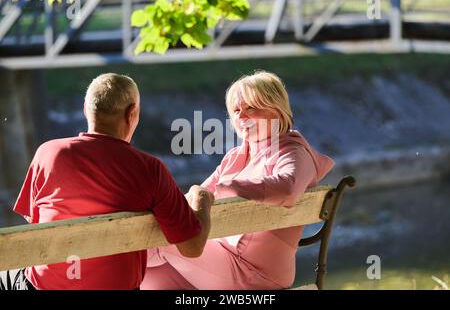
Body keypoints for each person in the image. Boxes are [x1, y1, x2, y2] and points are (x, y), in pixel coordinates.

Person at [0, 73, 214, 290]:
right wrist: (202, 197)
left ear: (85, 109)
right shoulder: (149, 169)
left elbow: (36, 221)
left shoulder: (48, 153)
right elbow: (192, 247)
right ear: (132, 113)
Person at [140, 70, 335, 290]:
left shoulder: (292, 152)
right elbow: (196, 196)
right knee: (149, 275)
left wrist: (229, 188)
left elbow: (288, 189)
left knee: (152, 243)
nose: (242, 118)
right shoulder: (236, 156)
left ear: (278, 111)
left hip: (255, 274)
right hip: (223, 260)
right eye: (236, 111)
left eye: (251, 108)